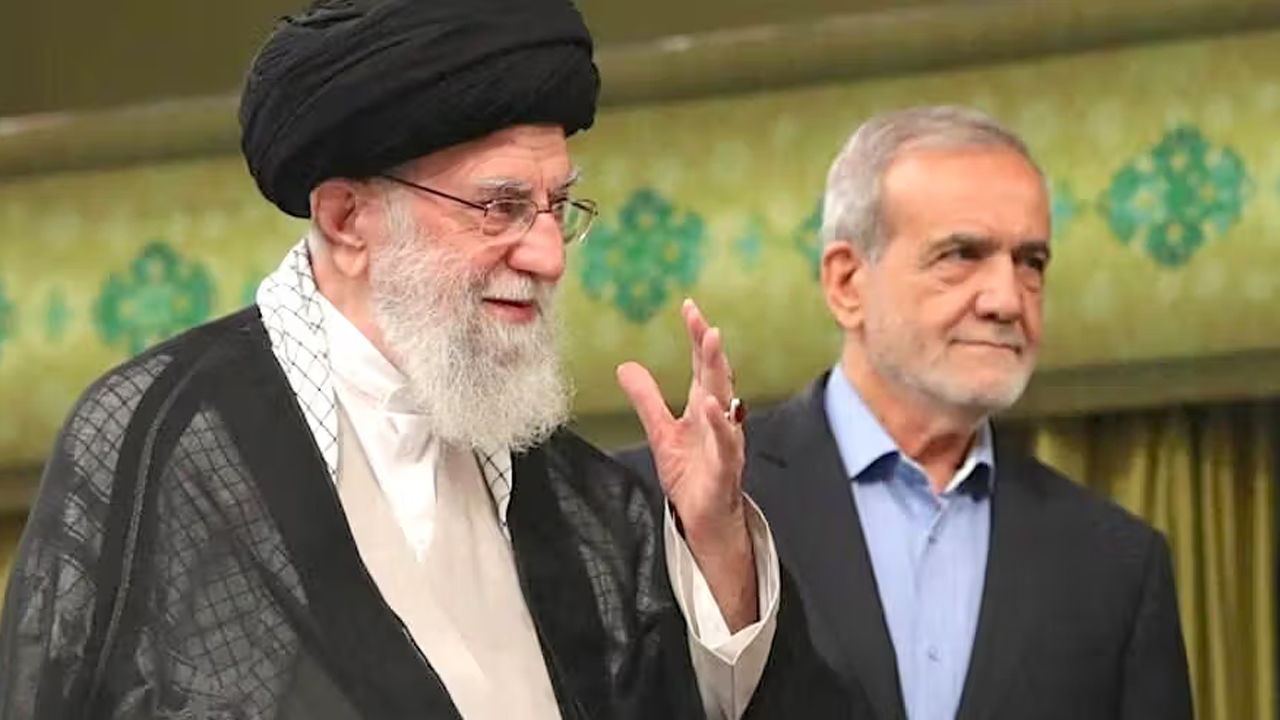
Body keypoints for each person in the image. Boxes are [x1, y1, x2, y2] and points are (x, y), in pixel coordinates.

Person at [0, 1, 867, 718]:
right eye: (499, 208)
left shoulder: (579, 497)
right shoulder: (162, 438)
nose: (548, 256)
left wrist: (715, 546)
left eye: (557, 207)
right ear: (346, 219)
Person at [619, 106, 1194, 720]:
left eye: (1031, 262)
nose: (1007, 300)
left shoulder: (1116, 564)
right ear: (847, 283)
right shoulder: (665, 504)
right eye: (962, 254)